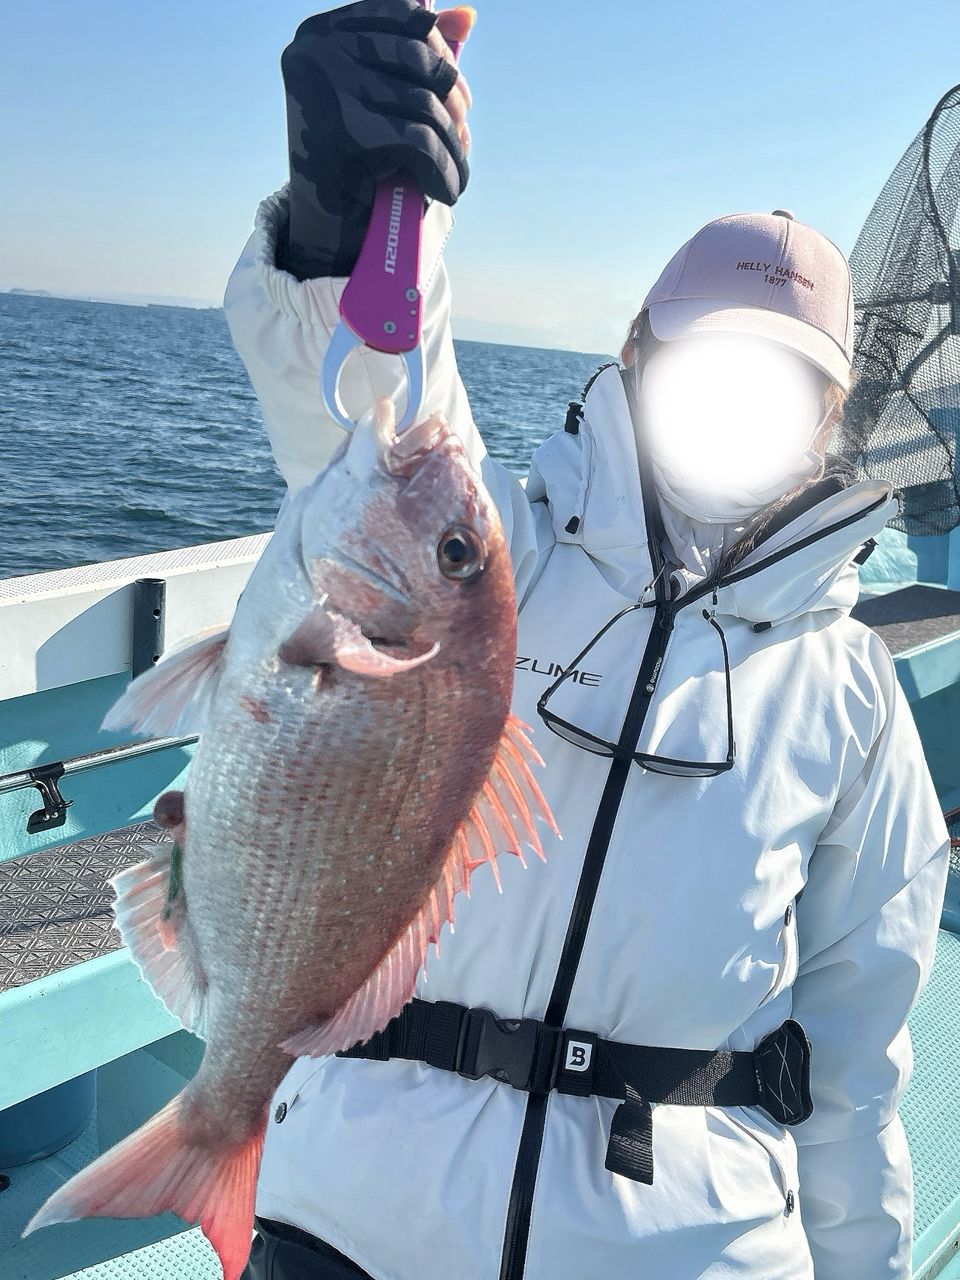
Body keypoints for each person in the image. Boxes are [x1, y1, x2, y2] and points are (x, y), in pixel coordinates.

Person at [223, 4, 951, 1277]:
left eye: (776, 391)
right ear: (633, 359)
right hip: (351, 1215)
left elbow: (857, 1070)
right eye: (705, 367)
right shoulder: (490, 555)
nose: (734, 411)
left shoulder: (855, 699)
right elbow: (364, 408)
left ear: (830, 425)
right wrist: (348, 224)